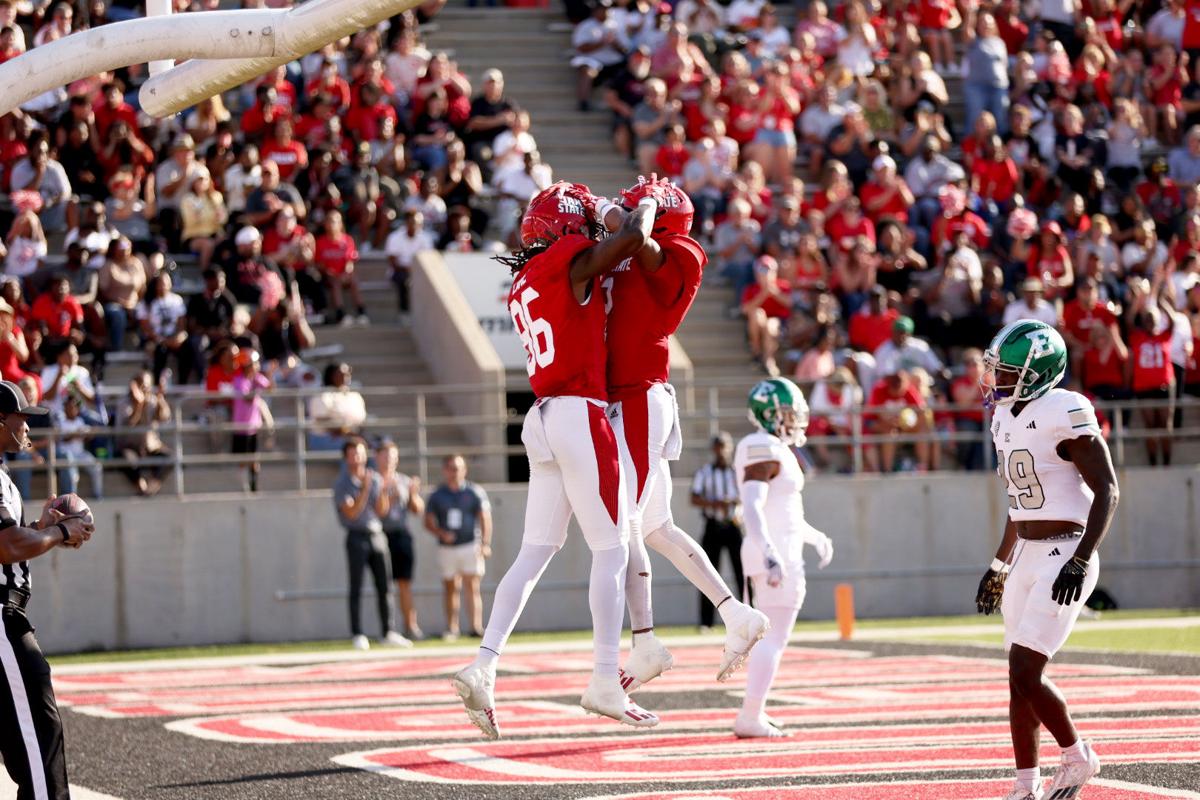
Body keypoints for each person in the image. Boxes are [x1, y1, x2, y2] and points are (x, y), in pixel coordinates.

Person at [453, 181, 660, 738]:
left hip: (542, 415)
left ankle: (485, 662)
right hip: (579, 412)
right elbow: (636, 235)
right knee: (613, 549)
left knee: (534, 552)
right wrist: (641, 202)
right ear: (568, 228)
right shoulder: (567, 258)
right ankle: (602, 679)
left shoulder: (524, 275)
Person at [597, 177, 769, 691]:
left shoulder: (682, 252)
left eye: (640, 210)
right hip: (632, 396)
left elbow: (640, 245)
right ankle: (736, 613)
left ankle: (645, 639)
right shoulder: (645, 244)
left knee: (624, 526)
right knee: (656, 528)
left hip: (639, 395)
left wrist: (618, 210)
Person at [975, 320, 1118, 800]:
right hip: (1027, 556)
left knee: (1025, 671)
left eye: (1008, 371)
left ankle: (1078, 757)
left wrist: (1081, 560)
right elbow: (1021, 506)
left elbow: (1108, 490)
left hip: (1065, 550)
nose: (997, 379)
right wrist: (999, 565)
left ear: (1038, 372)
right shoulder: (1004, 417)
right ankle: (1024, 787)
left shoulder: (1065, 408)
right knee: (1017, 681)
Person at [0, 379, 95, 800]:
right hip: (2, 623)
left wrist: (41, 530)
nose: (26, 428)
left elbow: (11, 540)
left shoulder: (4, 478)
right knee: (41, 742)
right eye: (21, 418)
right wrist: (59, 531)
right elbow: (4, 546)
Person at [734, 377, 834, 737]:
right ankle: (750, 715)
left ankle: (753, 711)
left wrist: (814, 536)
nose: (795, 420)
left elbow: (786, 513)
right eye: (789, 413)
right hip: (774, 556)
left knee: (771, 638)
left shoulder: (775, 447)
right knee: (773, 638)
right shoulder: (762, 445)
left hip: (777, 551)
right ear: (771, 413)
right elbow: (751, 505)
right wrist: (771, 553)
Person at [334, 437, 410, 651]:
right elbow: (351, 512)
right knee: (356, 586)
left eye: (361, 452)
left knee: (385, 585)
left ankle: (388, 631)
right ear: (347, 457)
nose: (358, 457)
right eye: (353, 453)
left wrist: (385, 490)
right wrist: (366, 489)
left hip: (377, 534)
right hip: (356, 536)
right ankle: (358, 633)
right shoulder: (343, 483)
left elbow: (381, 511)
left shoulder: (374, 478)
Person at [424, 454, 492, 640]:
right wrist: (441, 533)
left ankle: (475, 627)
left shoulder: (474, 492)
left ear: (464, 470)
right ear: (445, 471)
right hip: (447, 548)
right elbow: (428, 521)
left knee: (472, 585)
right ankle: (452, 628)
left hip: (470, 544)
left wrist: (485, 543)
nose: (454, 473)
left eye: (458, 468)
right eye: (451, 468)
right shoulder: (438, 495)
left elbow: (484, 518)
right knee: (450, 587)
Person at [690, 433, 743, 632]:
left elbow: (747, 495)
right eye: (718, 447)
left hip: (733, 525)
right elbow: (694, 498)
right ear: (713, 450)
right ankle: (706, 622)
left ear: (730, 448)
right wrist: (715, 504)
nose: (721, 451)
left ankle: (750, 613)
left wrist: (733, 503)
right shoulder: (705, 472)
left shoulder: (737, 472)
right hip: (712, 525)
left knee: (742, 573)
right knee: (708, 574)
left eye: (725, 446)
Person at [377, 440, 424, 640]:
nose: (389, 461)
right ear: (377, 457)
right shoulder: (373, 481)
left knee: (405, 583)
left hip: (401, 535)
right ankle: (389, 628)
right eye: (386, 456)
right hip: (380, 535)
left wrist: (413, 494)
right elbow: (378, 512)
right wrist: (386, 491)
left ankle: (411, 626)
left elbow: (417, 509)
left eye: (393, 457)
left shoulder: (404, 480)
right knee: (384, 584)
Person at [231, 349, 273, 493]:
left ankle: (254, 485)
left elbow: (270, 387)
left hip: (254, 427)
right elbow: (247, 397)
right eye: (253, 364)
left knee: (254, 458)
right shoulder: (239, 380)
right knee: (243, 459)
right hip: (241, 426)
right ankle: (243, 486)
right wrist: (257, 387)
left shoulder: (256, 378)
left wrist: (270, 374)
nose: (256, 366)